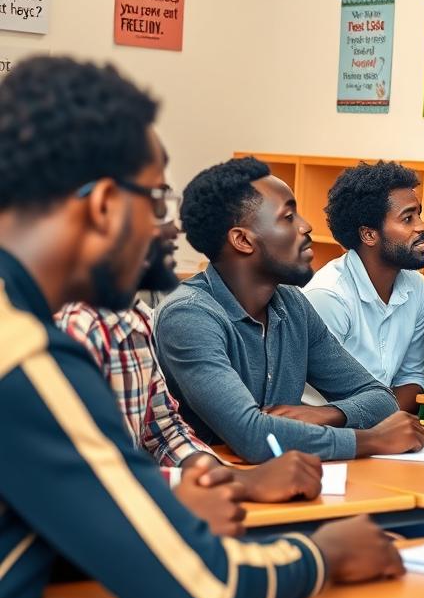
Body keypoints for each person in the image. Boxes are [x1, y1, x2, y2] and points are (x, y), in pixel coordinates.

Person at [0, 56, 405, 598]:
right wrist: (322, 555)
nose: (166, 229)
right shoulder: (27, 359)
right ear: (104, 206)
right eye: (155, 200)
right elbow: (205, 591)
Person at [153, 157, 424, 465]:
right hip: (217, 492)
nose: (306, 225)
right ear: (242, 240)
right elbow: (254, 437)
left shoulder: (293, 305)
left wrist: (330, 415)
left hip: (296, 480)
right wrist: (375, 439)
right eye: (287, 217)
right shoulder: (189, 316)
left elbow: (381, 399)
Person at [57, 212, 324, 510]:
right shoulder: (76, 327)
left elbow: (164, 431)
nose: (174, 228)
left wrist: (225, 479)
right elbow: (85, 479)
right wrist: (242, 483)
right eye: (156, 206)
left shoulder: (136, 317)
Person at [304, 161, 424, 415]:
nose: (422, 226)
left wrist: (386, 424)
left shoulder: (417, 287)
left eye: (419, 214)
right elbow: (325, 398)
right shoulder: (329, 295)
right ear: (369, 235)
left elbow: (411, 378)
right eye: (407, 218)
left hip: (380, 425)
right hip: (325, 428)